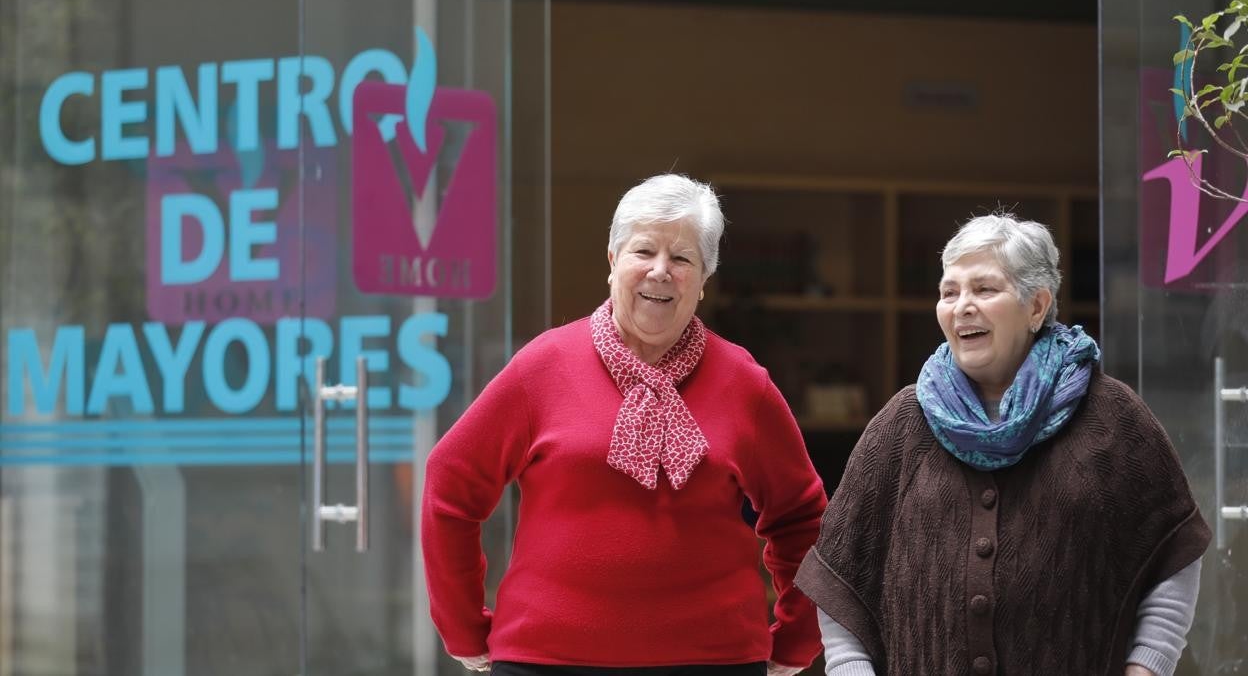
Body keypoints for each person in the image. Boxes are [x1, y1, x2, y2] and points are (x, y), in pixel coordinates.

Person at [422, 173, 827, 676]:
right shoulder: (542, 366)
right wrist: (461, 626)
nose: (661, 271)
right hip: (545, 662)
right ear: (612, 263)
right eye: (643, 252)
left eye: (682, 259)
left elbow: (802, 518)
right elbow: (451, 485)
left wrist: (797, 638)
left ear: (703, 282)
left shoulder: (743, 382)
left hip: (713, 662)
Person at [795, 213, 1212, 676]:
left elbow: (1172, 549)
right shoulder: (902, 425)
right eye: (949, 292)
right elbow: (841, 575)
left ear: (1037, 306)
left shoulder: (1110, 417)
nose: (961, 307)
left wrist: (1148, 667)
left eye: (984, 290)